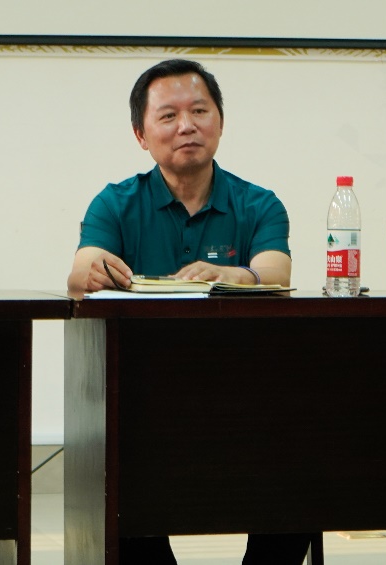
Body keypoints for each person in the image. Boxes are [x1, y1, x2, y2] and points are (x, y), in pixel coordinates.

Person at [67, 58, 308, 565]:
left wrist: (234, 276)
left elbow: (276, 274)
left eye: (200, 111)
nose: (187, 126)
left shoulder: (259, 204)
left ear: (220, 121)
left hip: (246, 397)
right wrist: (92, 273)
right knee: (120, 473)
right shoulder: (115, 204)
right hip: (143, 399)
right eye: (168, 115)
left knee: (304, 463)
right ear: (141, 134)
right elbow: (81, 272)